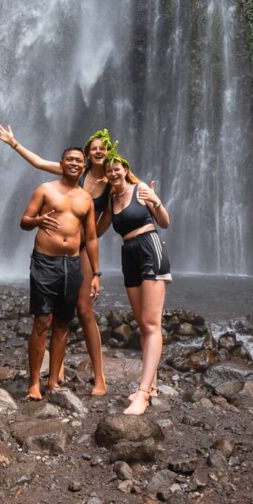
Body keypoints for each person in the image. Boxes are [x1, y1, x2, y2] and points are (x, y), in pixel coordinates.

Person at [0, 124, 117, 395]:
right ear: (68, 162)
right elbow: (38, 162)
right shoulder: (61, 180)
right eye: (91, 148)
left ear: (105, 154)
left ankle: (97, 377)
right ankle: (43, 378)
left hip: (77, 253)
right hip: (50, 257)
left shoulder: (111, 179)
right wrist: (13, 143)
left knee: (76, 314)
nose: (96, 152)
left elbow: (97, 232)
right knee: (45, 319)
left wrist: (151, 198)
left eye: (101, 149)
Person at [20, 146, 100, 401]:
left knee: (63, 324)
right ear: (62, 163)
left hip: (72, 264)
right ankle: (34, 384)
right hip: (45, 262)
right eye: (70, 160)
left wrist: (96, 273)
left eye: (79, 160)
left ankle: (53, 381)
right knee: (42, 321)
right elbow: (24, 221)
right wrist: (37, 221)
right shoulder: (45, 189)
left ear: (84, 166)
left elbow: (91, 237)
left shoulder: (86, 198)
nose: (74, 163)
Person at [98, 151, 170, 416]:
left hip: (150, 248)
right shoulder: (111, 199)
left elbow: (164, 221)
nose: (113, 173)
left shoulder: (140, 189)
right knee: (142, 323)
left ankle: (142, 395)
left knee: (151, 324)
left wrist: (156, 201)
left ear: (125, 168)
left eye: (116, 168)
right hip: (128, 254)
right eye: (108, 171)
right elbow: (96, 230)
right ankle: (152, 385)